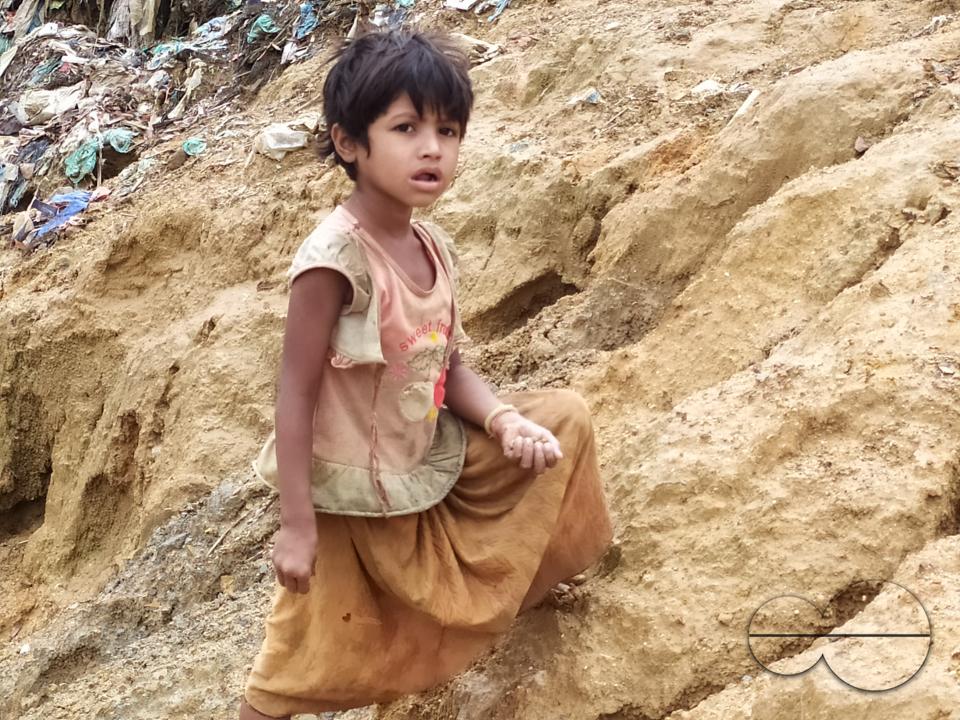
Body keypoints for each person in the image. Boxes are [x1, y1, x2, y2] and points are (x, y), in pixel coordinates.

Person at [239, 29, 613, 720]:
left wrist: (505, 421)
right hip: (350, 493)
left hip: (424, 457)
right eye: (406, 128)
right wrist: (297, 524)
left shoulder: (430, 244)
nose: (432, 148)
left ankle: (505, 608)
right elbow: (295, 391)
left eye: (448, 130)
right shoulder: (333, 261)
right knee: (296, 665)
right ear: (349, 142)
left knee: (564, 419)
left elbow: (448, 365)